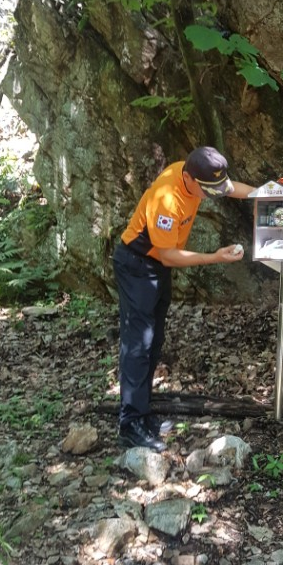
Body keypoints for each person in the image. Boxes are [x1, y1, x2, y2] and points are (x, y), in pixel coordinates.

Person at [113, 146, 254, 451]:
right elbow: (168, 256)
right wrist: (214, 257)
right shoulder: (167, 198)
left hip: (155, 265)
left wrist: (263, 194)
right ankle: (130, 423)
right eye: (206, 191)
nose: (212, 196)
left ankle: (142, 412)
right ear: (188, 179)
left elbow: (230, 189)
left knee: (154, 339)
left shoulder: (201, 173)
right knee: (138, 343)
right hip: (138, 264)